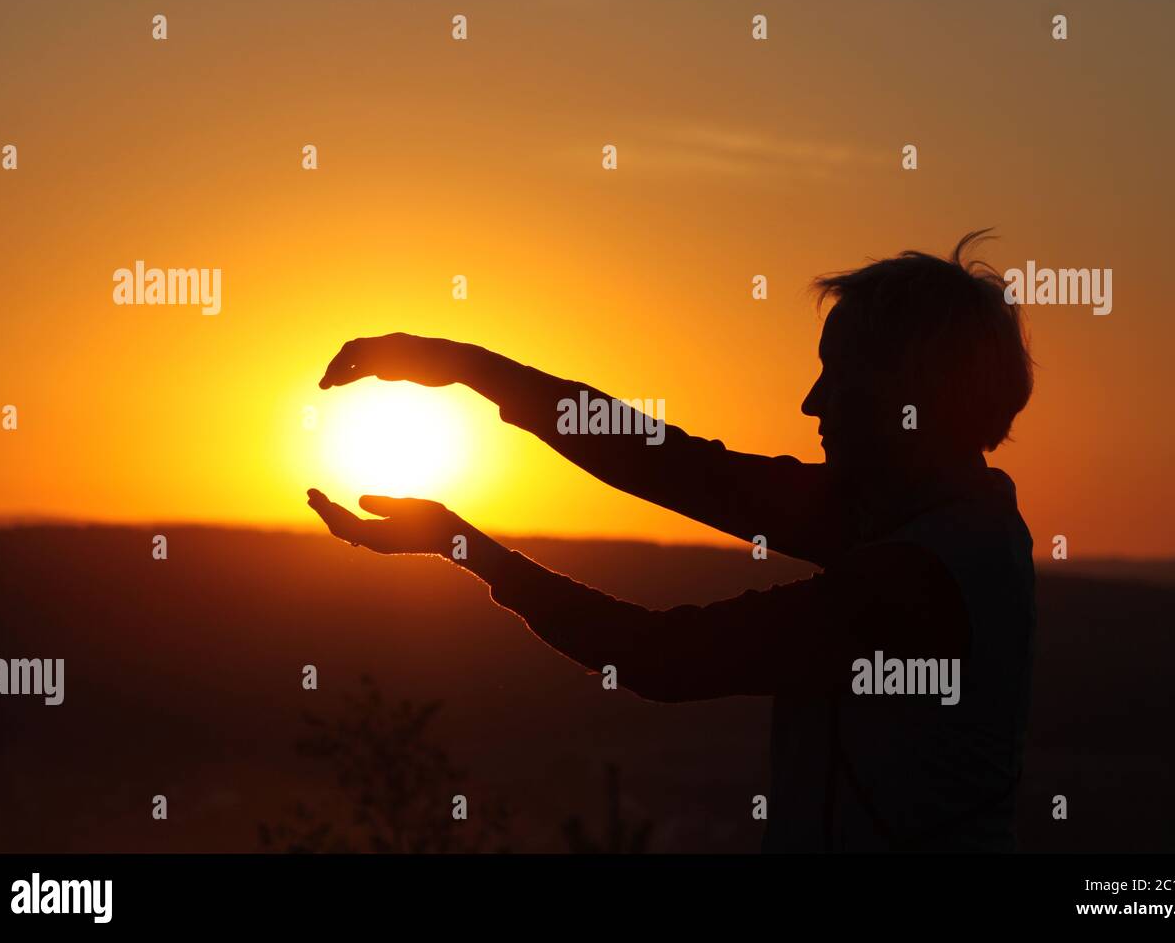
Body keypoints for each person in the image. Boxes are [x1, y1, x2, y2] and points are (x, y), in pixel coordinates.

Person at [307, 230, 1037, 852]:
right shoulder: (921, 517)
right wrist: (466, 366)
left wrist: (461, 544)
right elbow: (661, 459)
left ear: (910, 399)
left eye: (838, 379)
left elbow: (656, 657)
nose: (812, 403)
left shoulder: (920, 577)